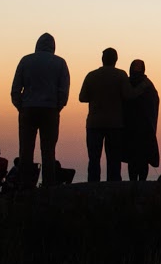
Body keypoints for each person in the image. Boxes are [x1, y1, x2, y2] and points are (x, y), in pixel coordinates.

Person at [10, 33, 71, 173]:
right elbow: (64, 89)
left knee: (25, 150)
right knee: (49, 150)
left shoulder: (25, 60)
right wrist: (58, 107)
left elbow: (15, 88)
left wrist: (21, 106)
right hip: (50, 109)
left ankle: (25, 185)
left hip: (28, 108)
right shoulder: (60, 62)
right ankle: (48, 185)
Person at [79, 47, 131, 182]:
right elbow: (128, 96)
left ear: (102, 59)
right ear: (116, 60)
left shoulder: (91, 75)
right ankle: (113, 187)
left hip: (94, 123)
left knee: (94, 158)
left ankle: (93, 185)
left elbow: (82, 97)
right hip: (115, 123)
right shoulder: (121, 75)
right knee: (114, 159)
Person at [123, 60, 160, 182]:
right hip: (137, 127)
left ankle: (138, 182)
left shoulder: (145, 85)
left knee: (138, 157)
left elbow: (153, 102)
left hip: (139, 127)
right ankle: (137, 182)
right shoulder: (146, 84)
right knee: (136, 157)